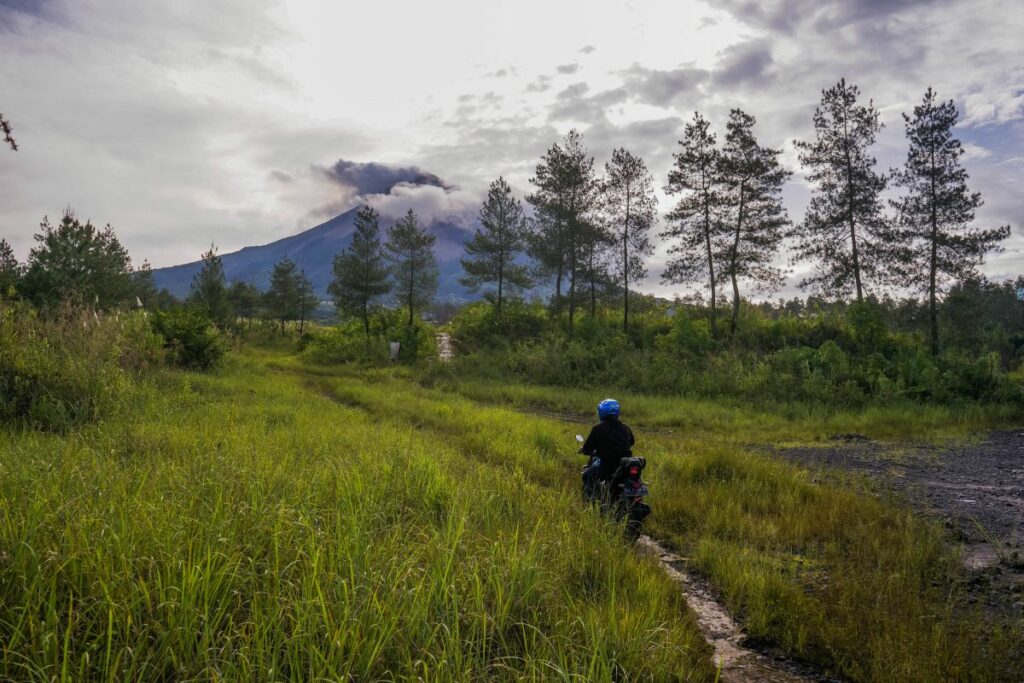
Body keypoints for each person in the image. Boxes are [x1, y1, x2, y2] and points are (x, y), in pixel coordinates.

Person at [580, 398, 635, 501]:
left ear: (601, 412)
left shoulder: (598, 428)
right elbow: (632, 442)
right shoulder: (626, 428)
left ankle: (589, 502)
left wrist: (583, 450)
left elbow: (587, 449)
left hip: (607, 465)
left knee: (587, 476)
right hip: (625, 465)